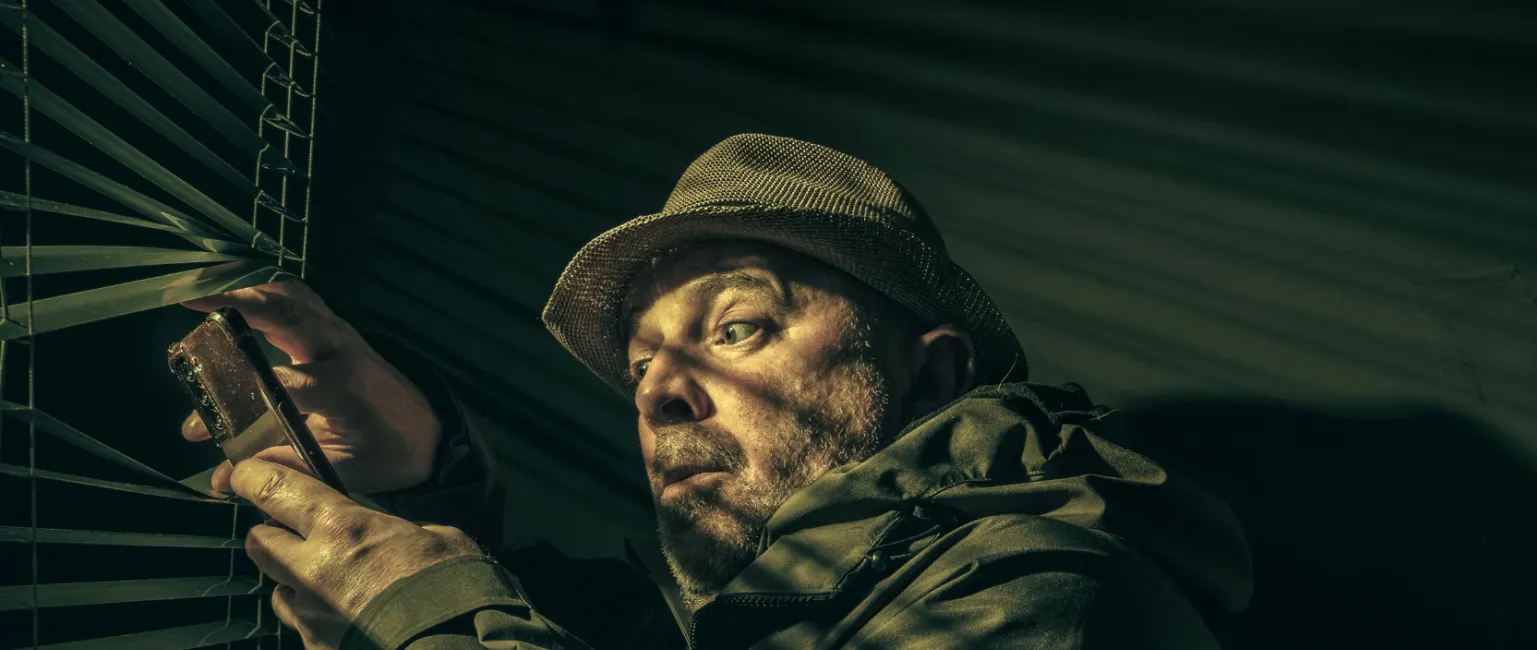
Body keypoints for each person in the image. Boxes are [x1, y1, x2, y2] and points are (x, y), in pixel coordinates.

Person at [179, 134, 1254, 649]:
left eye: (737, 328)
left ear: (930, 370)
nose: (661, 394)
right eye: (643, 364)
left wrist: (431, 623)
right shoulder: (780, 608)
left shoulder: (1037, 599)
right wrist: (417, 479)